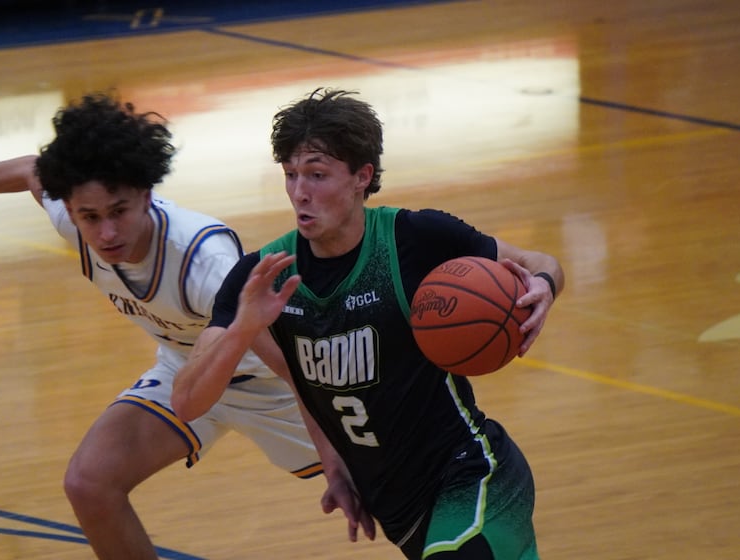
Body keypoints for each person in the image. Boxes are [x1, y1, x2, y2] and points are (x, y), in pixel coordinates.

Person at [0, 92, 371, 560]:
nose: (107, 233)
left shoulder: (203, 264)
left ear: (145, 193)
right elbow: (28, 168)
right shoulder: (75, 216)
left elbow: (292, 368)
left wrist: (334, 457)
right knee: (89, 483)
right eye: (90, 217)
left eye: (118, 212)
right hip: (186, 368)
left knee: (381, 496)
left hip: (270, 386)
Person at [173, 88, 565, 560]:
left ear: (363, 177)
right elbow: (189, 400)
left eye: (317, 175)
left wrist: (543, 283)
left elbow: (539, 260)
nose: (300, 191)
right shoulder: (264, 277)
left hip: (470, 474)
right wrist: (243, 329)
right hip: (395, 506)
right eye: (292, 175)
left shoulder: (415, 238)